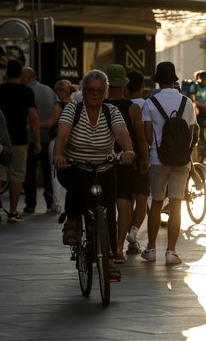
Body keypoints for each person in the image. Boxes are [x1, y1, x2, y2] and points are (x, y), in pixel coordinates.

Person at [53, 70, 135, 282]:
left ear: (105, 92)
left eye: (100, 90)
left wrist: (127, 150)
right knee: (77, 186)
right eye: (91, 90)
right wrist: (59, 154)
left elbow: (121, 133)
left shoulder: (111, 111)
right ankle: (72, 221)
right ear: (84, 91)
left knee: (108, 213)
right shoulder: (73, 108)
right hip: (75, 165)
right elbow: (62, 132)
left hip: (104, 167)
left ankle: (109, 264)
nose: (95, 94)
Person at [141, 61, 196, 265]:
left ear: (158, 81)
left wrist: (156, 147)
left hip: (158, 159)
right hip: (181, 160)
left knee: (156, 203)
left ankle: (151, 248)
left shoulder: (149, 103)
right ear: (174, 80)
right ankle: (171, 252)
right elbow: (190, 133)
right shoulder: (186, 102)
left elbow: (147, 135)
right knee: (176, 205)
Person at [105, 64, 150, 263]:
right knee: (124, 205)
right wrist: (145, 160)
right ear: (123, 84)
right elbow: (141, 139)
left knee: (103, 205)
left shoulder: (99, 106)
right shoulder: (133, 108)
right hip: (126, 160)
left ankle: (103, 245)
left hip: (100, 161)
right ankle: (118, 249)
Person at [0, 59, 41, 223]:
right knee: (17, 176)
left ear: (6, 73)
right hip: (19, 140)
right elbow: (33, 118)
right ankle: (12, 212)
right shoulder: (26, 92)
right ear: (20, 74)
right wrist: (38, 140)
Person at [21, 67, 56, 214]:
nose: (20, 79)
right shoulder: (49, 90)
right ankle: (49, 195)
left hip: (31, 137)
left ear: (28, 77)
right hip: (48, 136)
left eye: (22, 77)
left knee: (30, 171)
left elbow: (29, 115)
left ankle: (30, 204)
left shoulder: (25, 92)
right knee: (48, 170)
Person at [124, 69, 150, 255]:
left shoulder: (121, 105)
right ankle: (133, 232)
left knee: (127, 201)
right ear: (142, 86)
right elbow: (147, 136)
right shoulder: (146, 105)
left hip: (124, 156)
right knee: (142, 199)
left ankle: (130, 240)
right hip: (142, 156)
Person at [41, 79, 74, 214]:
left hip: (57, 141)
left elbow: (50, 123)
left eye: (57, 91)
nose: (56, 93)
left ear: (62, 91)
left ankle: (57, 203)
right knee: (70, 172)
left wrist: (35, 124)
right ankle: (69, 201)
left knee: (55, 171)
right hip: (72, 142)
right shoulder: (76, 104)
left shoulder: (59, 105)